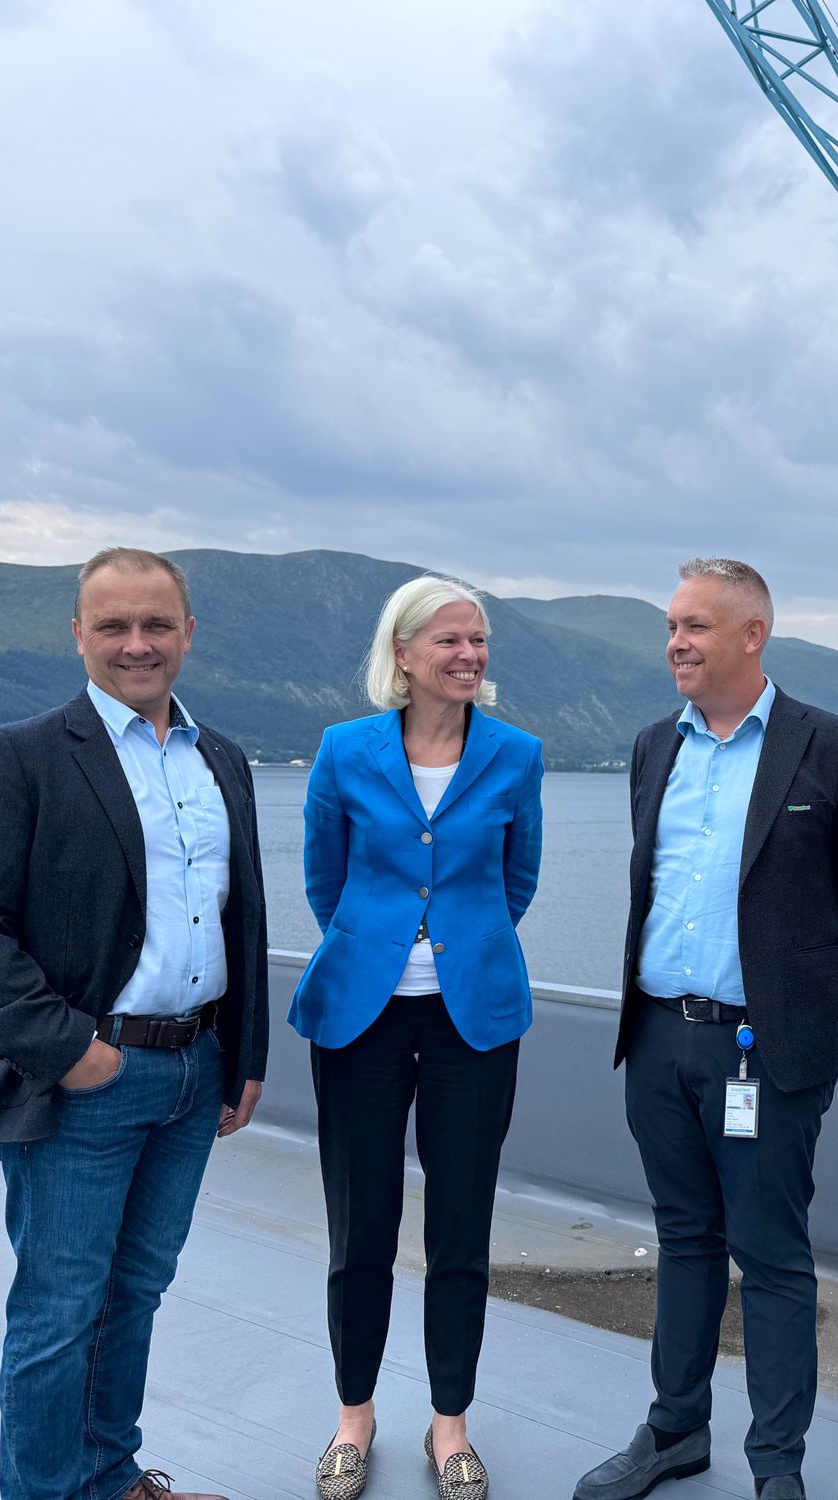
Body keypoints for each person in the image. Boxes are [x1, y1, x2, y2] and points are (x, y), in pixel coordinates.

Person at [0, 546, 270, 1500]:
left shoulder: (220, 759)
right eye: (113, 625)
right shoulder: (21, 756)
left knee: (136, 1294)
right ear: (79, 635)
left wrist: (245, 1053)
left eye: (156, 624)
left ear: (189, 633)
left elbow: (240, 918)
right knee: (60, 1311)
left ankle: (110, 1479)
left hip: (195, 1071)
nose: (136, 644)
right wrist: (73, 1052)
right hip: (85, 1083)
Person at [573, 559, 838, 1500]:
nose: (676, 642)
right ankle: (675, 1431)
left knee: (773, 1256)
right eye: (672, 626)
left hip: (768, 1050)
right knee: (683, 1239)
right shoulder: (652, 747)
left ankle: (776, 1466)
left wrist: (789, 983)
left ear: (753, 635)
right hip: (657, 1038)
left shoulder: (830, 746)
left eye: (696, 627)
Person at [291, 575, 544, 1500]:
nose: (469, 655)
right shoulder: (343, 750)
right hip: (360, 1018)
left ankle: (449, 1425)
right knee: (360, 1226)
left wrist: (458, 949)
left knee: (461, 1229)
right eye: (449, 641)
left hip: (472, 1021)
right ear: (402, 654)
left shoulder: (517, 755)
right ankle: (354, 1416)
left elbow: (517, 880)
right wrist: (379, 947)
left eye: (478, 640)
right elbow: (325, 879)